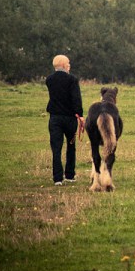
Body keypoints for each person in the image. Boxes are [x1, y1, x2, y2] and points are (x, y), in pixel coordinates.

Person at [45, 54, 83, 186]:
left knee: (56, 148)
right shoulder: (72, 79)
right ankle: (70, 175)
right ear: (63, 65)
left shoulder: (49, 79)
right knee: (71, 146)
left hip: (55, 118)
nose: (69, 65)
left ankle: (57, 178)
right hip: (70, 119)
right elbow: (76, 98)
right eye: (68, 63)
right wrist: (80, 114)